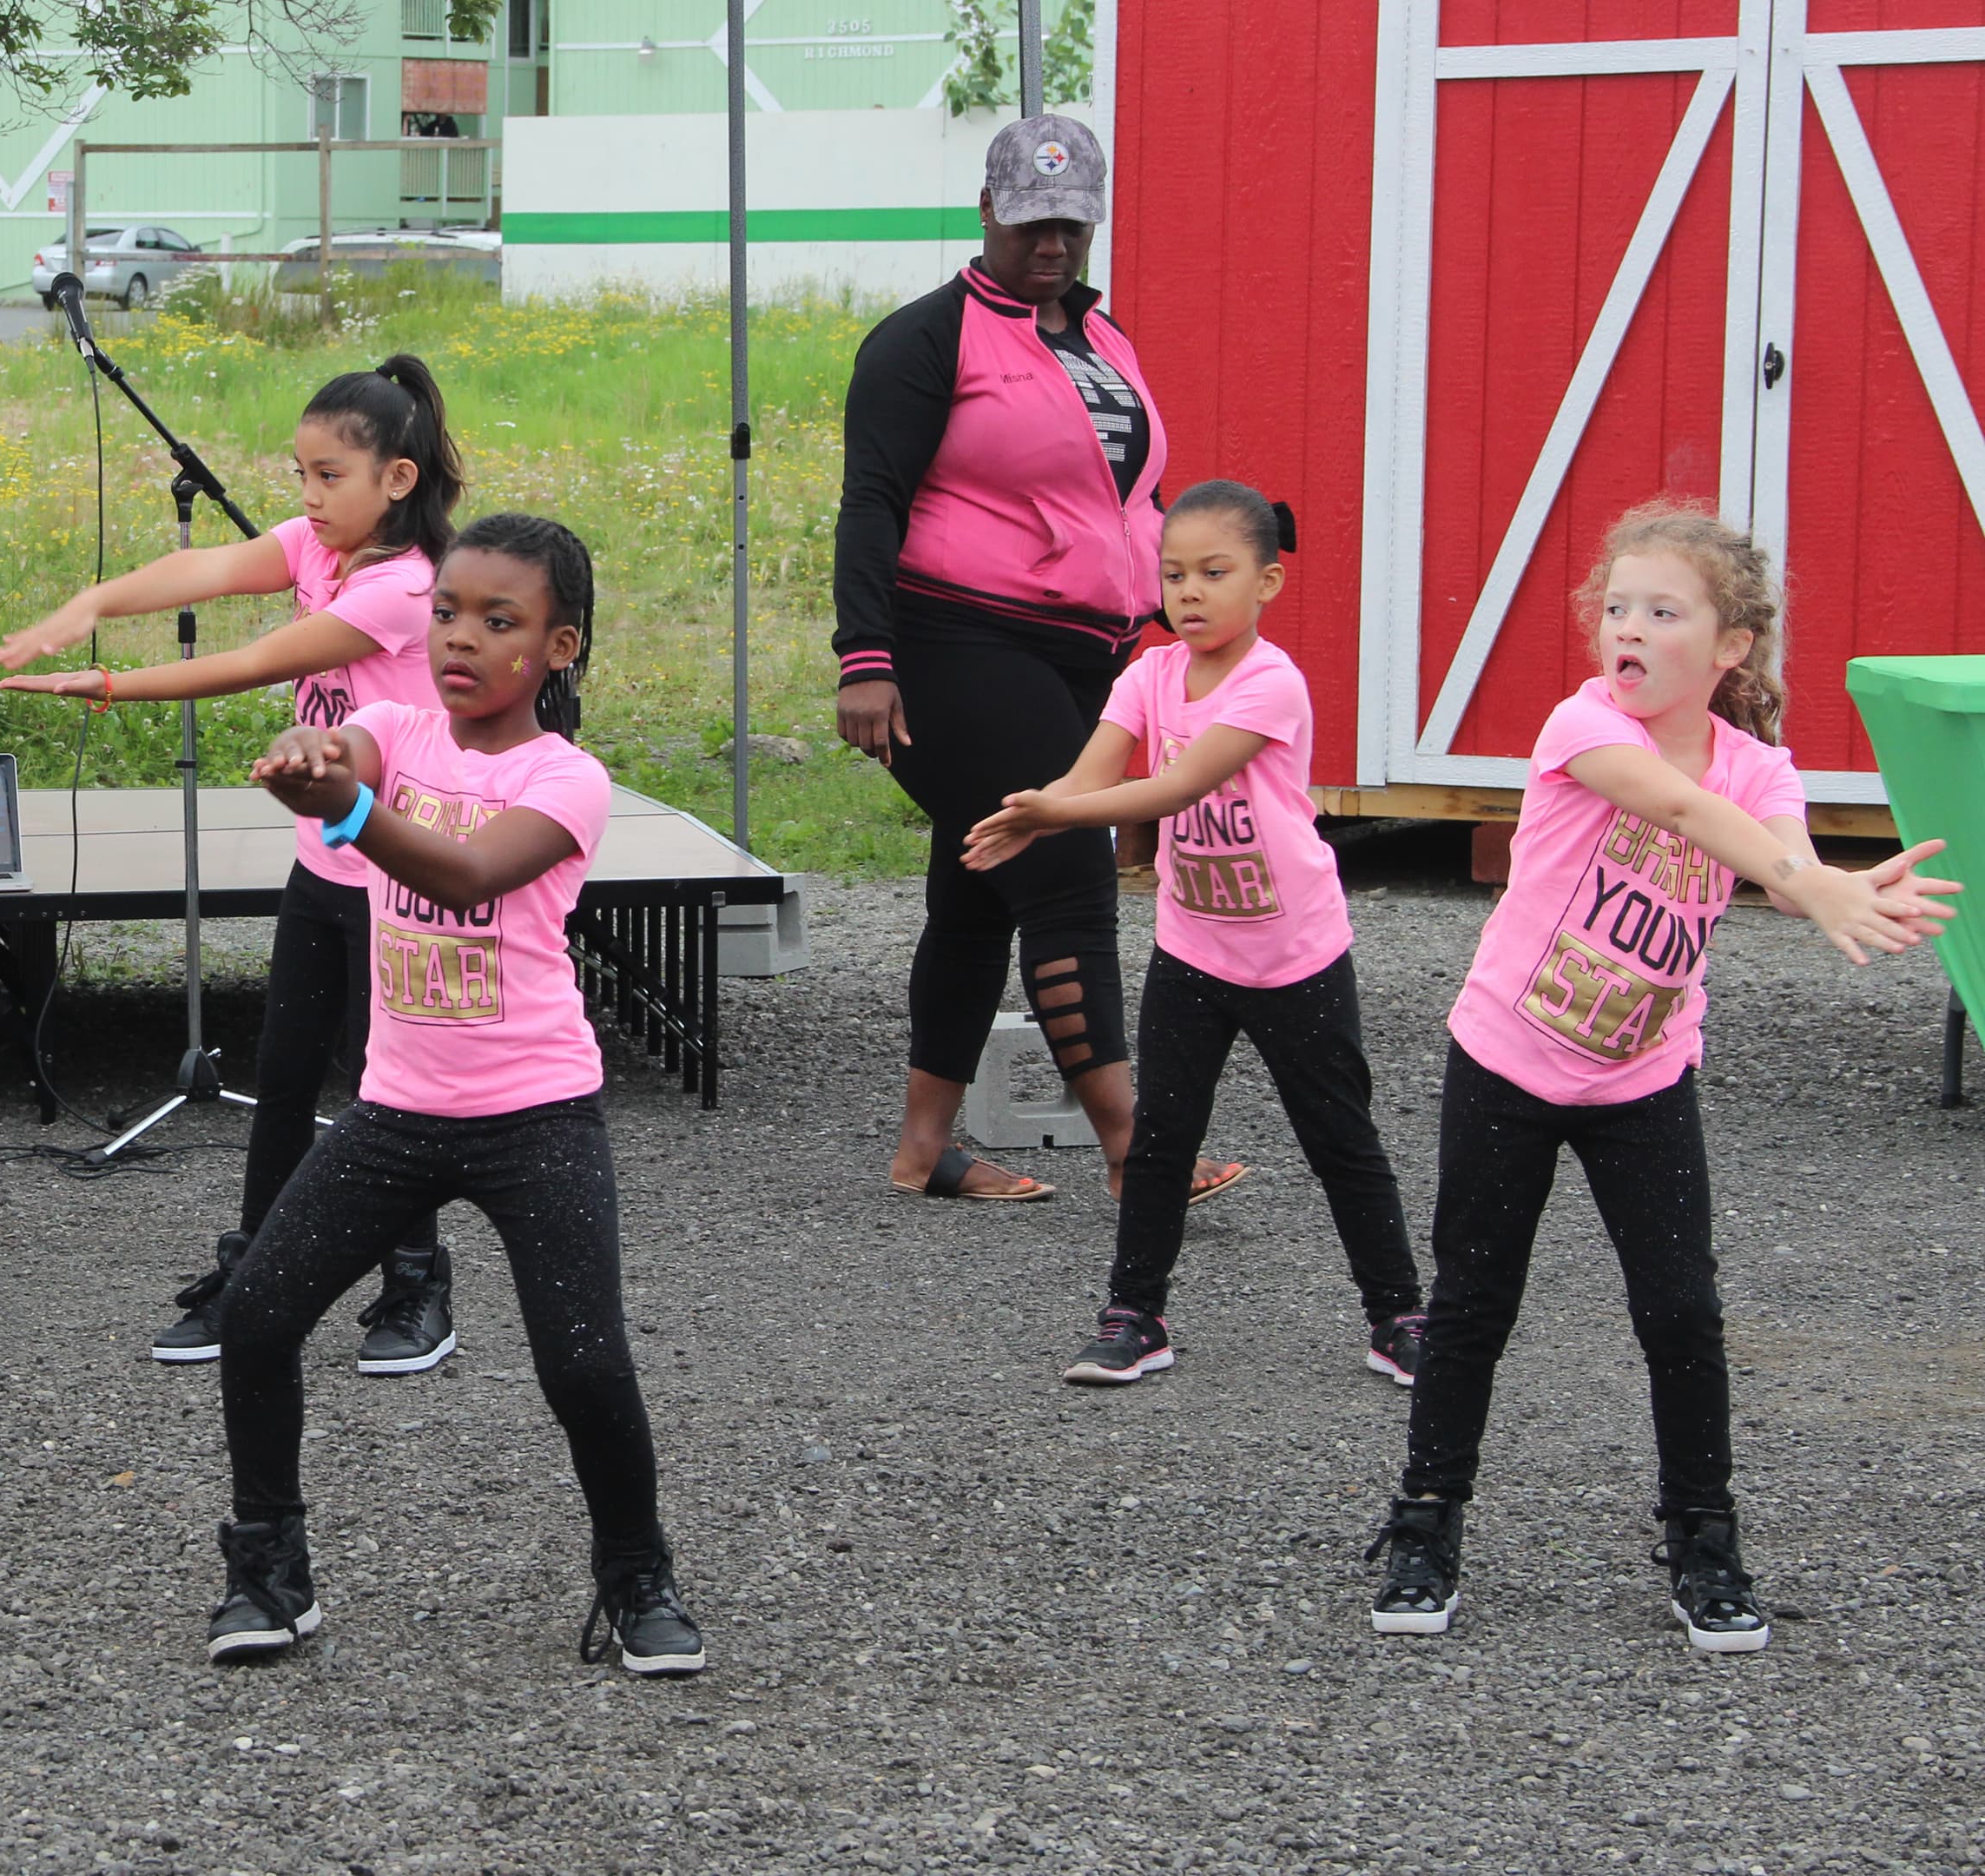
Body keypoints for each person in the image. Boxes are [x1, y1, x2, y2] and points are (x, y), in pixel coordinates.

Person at [1365, 499, 1957, 1654]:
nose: (1627, 628)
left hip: (1644, 1079)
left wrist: (1838, 887)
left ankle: (1704, 1542)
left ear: (1729, 647)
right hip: (1507, 1060)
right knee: (1474, 1306)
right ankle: (1426, 1527)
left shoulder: (1759, 768)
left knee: (1682, 1312)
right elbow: (1680, 809)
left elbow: (1777, 861)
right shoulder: (1582, 727)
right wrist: (1811, 879)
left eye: (1663, 611)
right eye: (1616, 608)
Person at [213, 512, 704, 1676]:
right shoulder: (389, 726)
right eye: (446, 614)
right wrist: (309, 759)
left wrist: (342, 814)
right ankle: (271, 1576)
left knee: (583, 1363)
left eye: (501, 621)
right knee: (257, 1315)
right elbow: (344, 754)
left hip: (537, 1116)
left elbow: (474, 875)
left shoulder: (569, 781)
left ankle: (638, 1577)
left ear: (561, 647)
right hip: (397, 1114)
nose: (462, 641)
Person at [0, 356, 468, 1376]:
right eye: (300, 474)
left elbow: (262, 661)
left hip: (397, 878)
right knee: (287, 1079)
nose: (306, 497)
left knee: (389, 1095)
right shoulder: (316, 546)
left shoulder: (407, 586)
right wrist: (88, 601)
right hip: (324, 865)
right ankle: (256, 1271)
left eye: (328, 475)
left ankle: (417, 1288)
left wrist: (115, 682)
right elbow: (203, 570)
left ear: (396, 477)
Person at [832, 113, 1239, 1207]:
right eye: (1028, 223)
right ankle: (1133, 1151)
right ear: (986, 212)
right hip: (951, 642)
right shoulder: (926, 340)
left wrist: (1173, 603)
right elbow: (871, 501)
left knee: (978, 884)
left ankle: (922, 1153)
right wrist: (863, 656)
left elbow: (1131, 494)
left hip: (1083, 651)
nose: (1050, 245)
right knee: (1061, 867)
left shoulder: (1106, 343)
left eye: (1069, 224)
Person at [962, 482, 1424, 1387]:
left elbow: (1173, 790)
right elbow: (1095, 772)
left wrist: (1058, 812)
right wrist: (1043, 811)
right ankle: (1135, 1316)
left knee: (1341, 1140)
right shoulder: (1150, 675)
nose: (1192, 592)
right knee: (1159, 1143)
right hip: (1194, 954)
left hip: (1296, 958)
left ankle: (1398, 1316)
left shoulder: (1271, 683)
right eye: (1175, 573)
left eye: (1217, 572)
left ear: (1269, 583)